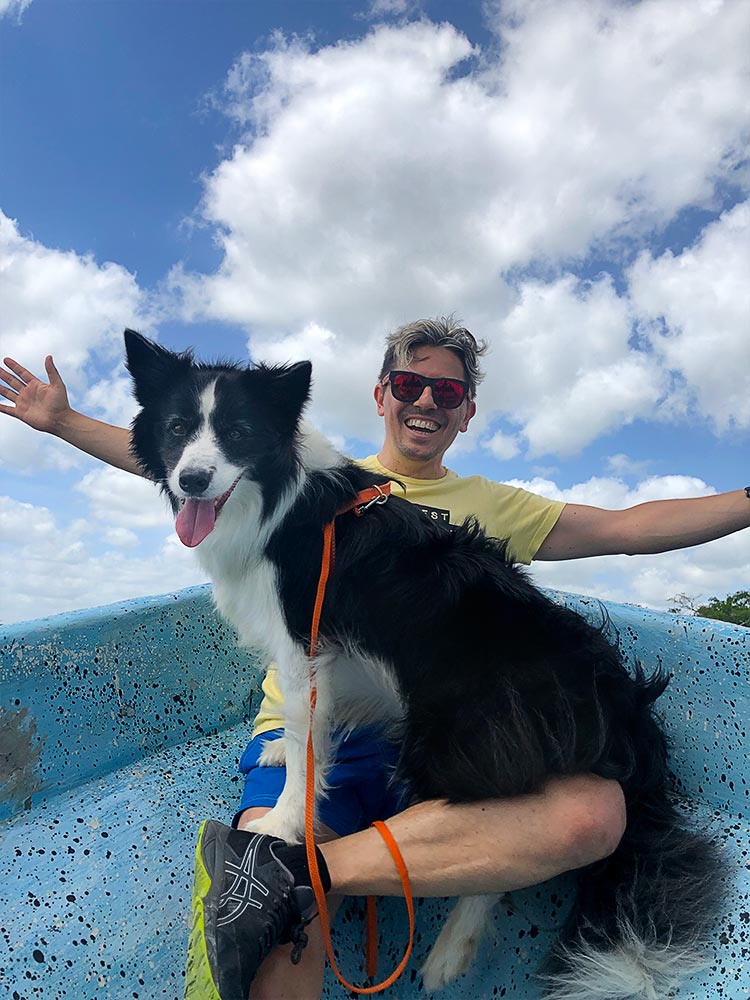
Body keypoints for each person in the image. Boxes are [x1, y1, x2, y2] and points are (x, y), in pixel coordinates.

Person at [2, 318, 748, 1000]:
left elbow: (629, 526)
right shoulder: (296, 473)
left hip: (445, 722)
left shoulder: (497, 505)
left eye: (447, 389)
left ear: (466, 410)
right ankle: (285, 879)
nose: (426, 399)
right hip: (315, 734)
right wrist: (63, 422)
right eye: (409, 383)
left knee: (595, 814)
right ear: (382, 394)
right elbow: (181, 459)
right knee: (272, 947)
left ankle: (293, 874)